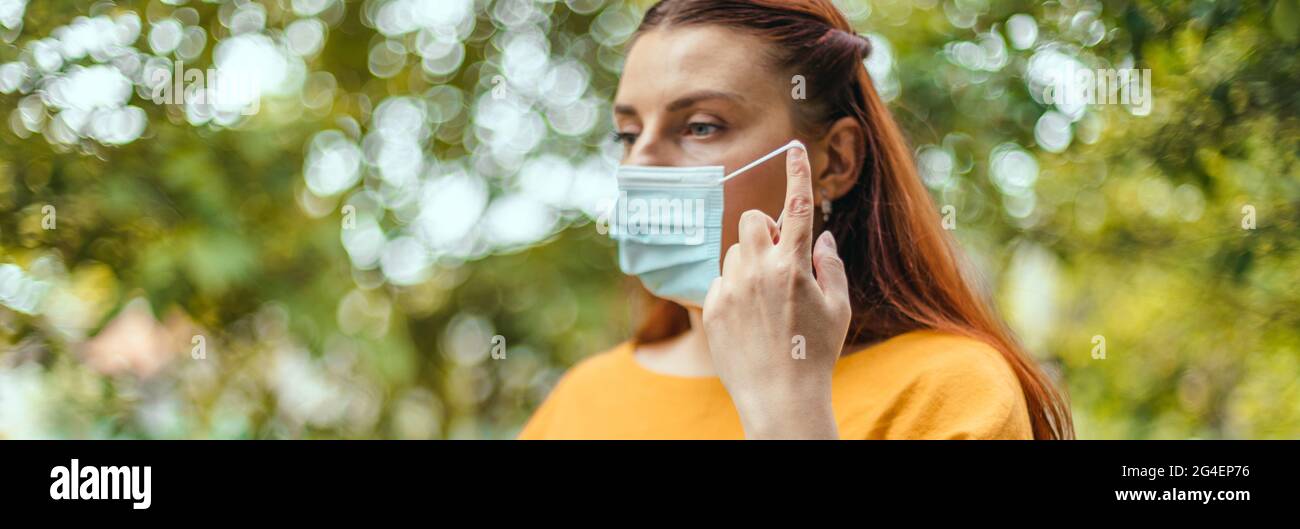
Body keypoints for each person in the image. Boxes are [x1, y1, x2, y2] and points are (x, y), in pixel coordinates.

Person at [519, 0, 1074, 440]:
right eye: (628, 133)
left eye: (701, 126)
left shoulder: (947, 390)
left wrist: (787, 411)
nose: (640, 164)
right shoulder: (582, 399)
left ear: (833, 161)